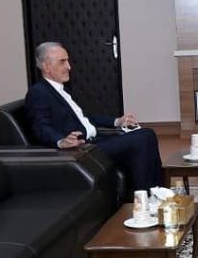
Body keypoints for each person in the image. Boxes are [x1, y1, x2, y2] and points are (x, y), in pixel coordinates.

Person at [25, 41, 163, 192]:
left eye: (68, 61)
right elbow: (40, 127)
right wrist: (60, 142)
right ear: (46, 66)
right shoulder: (38, 92)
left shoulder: (62, 90)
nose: (69, 67)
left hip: (97, 141)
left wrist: (117, 121)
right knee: (143, 137)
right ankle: (145, 197)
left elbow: (86, 118)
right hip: (83, 150)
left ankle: (154, 193)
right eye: (62, 62)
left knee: (146, 134)